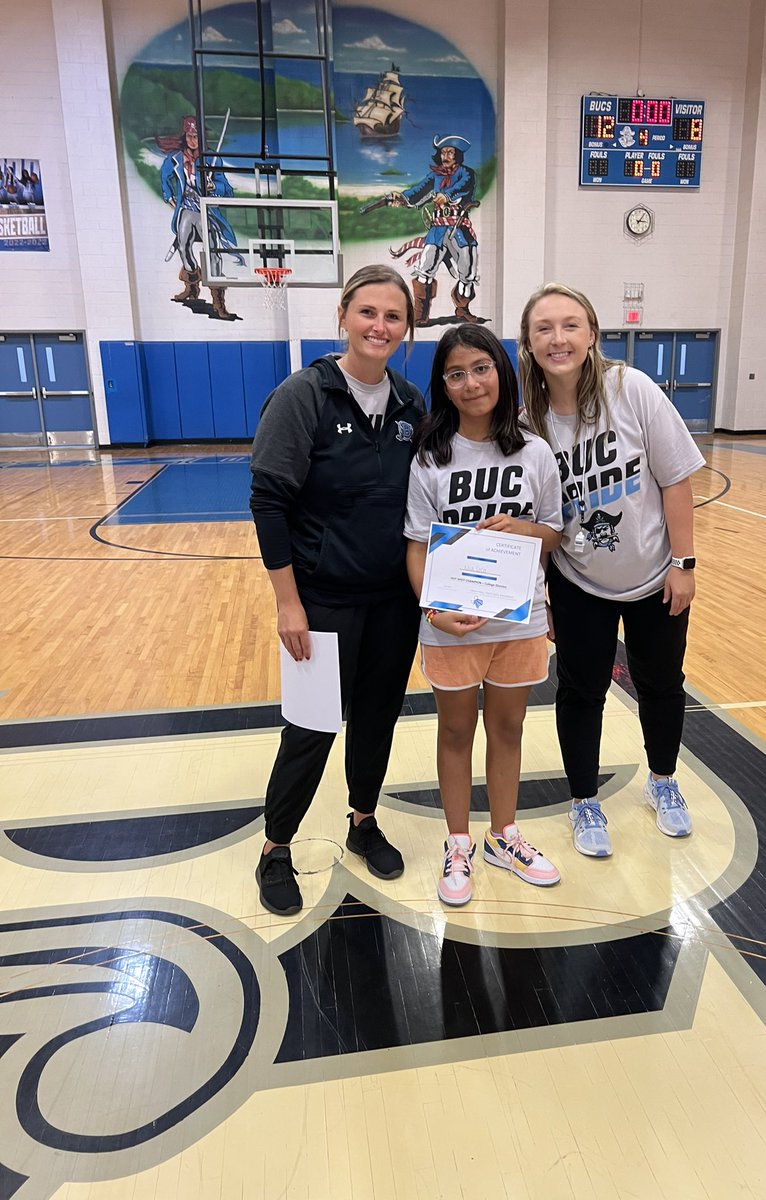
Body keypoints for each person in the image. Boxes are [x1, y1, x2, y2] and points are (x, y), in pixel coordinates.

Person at [249, 264, 425, 916]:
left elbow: (426, 505)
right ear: (344, 318)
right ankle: (275, 847)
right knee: (311, 727)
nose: (380, 326)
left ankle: (362, 820)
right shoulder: (304, 396)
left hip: (392, 602)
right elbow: (268, 502)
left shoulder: (411, 405)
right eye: (369, 313)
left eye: (393, 316)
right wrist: (288, 603)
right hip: (321, 599)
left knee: (377, 718)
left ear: (406, 328)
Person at [519, 283, 707, 857]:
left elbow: (675, 478)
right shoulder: (528, 420)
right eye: (544, 327)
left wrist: (684, 563)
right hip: (580, 581)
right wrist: (542, 591)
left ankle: (663, 781)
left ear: (592, 334)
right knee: (581, 690)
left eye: (571, 325)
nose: (559, 338)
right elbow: (535, 515)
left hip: (655, 575)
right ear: (528, 343)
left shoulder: (634, 390)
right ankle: (583, 799)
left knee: (661, 683)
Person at [405, 325, 564, 907]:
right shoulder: (430, 458)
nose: (471, 383)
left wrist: (526, 529)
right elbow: (417, 547)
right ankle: (457, 842)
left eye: (481, 368)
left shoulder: (535, 450)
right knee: (454, 731)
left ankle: (504, 834)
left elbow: (553, 531)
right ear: (443, 386)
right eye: (455, 374)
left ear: (502, 370)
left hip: (518, 622)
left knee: (508, 728)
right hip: (451, 626)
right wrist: (434, 609)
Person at [388, 134, 480, 326]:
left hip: (459, 228)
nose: (446, 156)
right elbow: (419, 190)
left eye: (450, 152)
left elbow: (463, 187)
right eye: (443, 152)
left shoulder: (467, 173)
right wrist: (402, 197)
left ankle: (462, 309)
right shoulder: (435, 176)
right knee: (424, 269)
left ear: (457, 156)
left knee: (468, 272)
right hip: (437, 230)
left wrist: (446, 195)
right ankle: (420, 314)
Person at [158, 116, 240, 321]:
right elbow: (164, 177)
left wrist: (215, 188)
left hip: (206, 211)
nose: (194, 140)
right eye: (191, 136)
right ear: (185, 136)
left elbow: (227, 189)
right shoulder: (176, 158)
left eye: (197, 136)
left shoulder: (211, 159)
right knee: (184, 247)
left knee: (213, 251)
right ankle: (192, 285)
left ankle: (218, 300)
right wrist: (169, 198)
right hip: (187, 208)